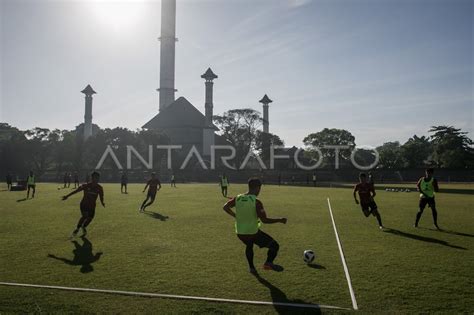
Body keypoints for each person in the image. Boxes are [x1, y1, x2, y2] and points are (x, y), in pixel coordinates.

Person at [223, 178, 287, 274]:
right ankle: (268, 263)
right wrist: (280, 220)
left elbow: (225, 207)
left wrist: (235, 215)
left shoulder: (238, 198)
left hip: (240, 232)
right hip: (253, 232)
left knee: (249, 245)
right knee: (274, 246)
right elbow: (265, 220)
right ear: (258, 188)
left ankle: (252, 268)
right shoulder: (257, 202)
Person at [62, 171, 105, 237]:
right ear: (92, 178)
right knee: (85, 216)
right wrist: (67, 196)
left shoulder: (99, 188)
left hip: (92, 206)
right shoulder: (86, 186)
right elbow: (76, 191)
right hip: (84, 205)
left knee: (90, 218)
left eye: (98, 178)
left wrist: (102, 202)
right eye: (95, 178)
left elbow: (101, 196)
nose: (96, 180)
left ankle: (83, 227)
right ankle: (77, 229)